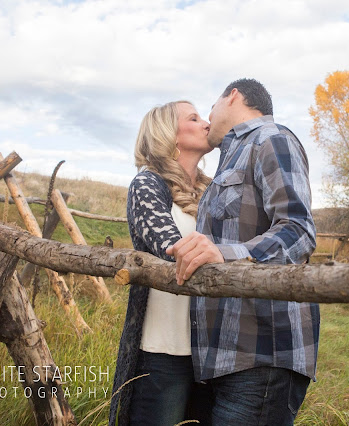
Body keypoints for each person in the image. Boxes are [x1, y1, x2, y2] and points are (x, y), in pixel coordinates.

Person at [166, 78, 319, 425]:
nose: (207, 119)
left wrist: (224, 254)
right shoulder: (230, 157)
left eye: (209, 109)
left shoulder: (271, 138)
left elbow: (298, 230)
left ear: (233, 96)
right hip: (225, 358)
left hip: (263, 353)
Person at [109, 100, 213, 426]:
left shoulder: (215, 189)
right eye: (194, 118)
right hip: (165, 348)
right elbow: (171, 249)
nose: (206, 123)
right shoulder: (147, 184)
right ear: (171, 134)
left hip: (214, 350)